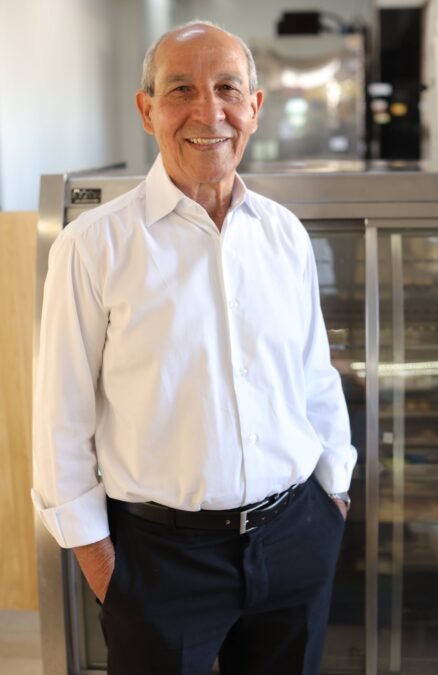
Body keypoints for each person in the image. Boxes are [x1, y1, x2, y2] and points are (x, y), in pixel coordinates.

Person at [32, 20, 357, 675]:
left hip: (296, 537)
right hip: (160, 562)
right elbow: (60, 421)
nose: (209, 112)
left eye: (228, 88)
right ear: (147, 109)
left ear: (254, 108)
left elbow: (313, 376)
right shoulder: (92, 247)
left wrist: (334, 495)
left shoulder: (285, 234)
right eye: (181, 89)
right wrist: (105, 567)